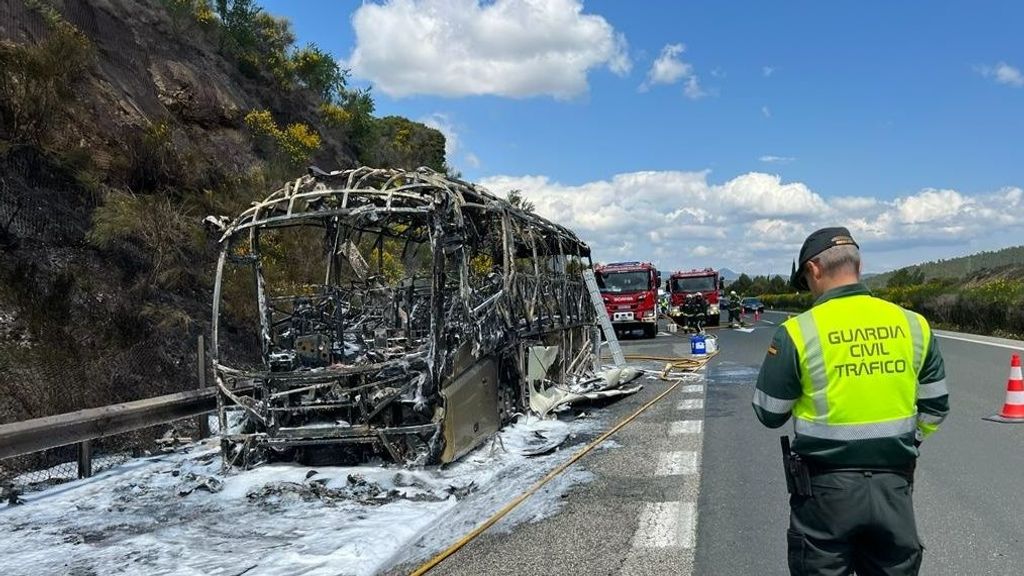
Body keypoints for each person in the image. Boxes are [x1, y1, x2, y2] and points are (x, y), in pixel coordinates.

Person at [752, 227, 949, 576]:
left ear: (814, 269)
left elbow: (770, 412)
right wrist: (907, 440)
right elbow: (935, 405)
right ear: (858, 264)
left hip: (825, 492)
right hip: (894, 485)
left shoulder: (798, 331)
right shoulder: (914, 325)